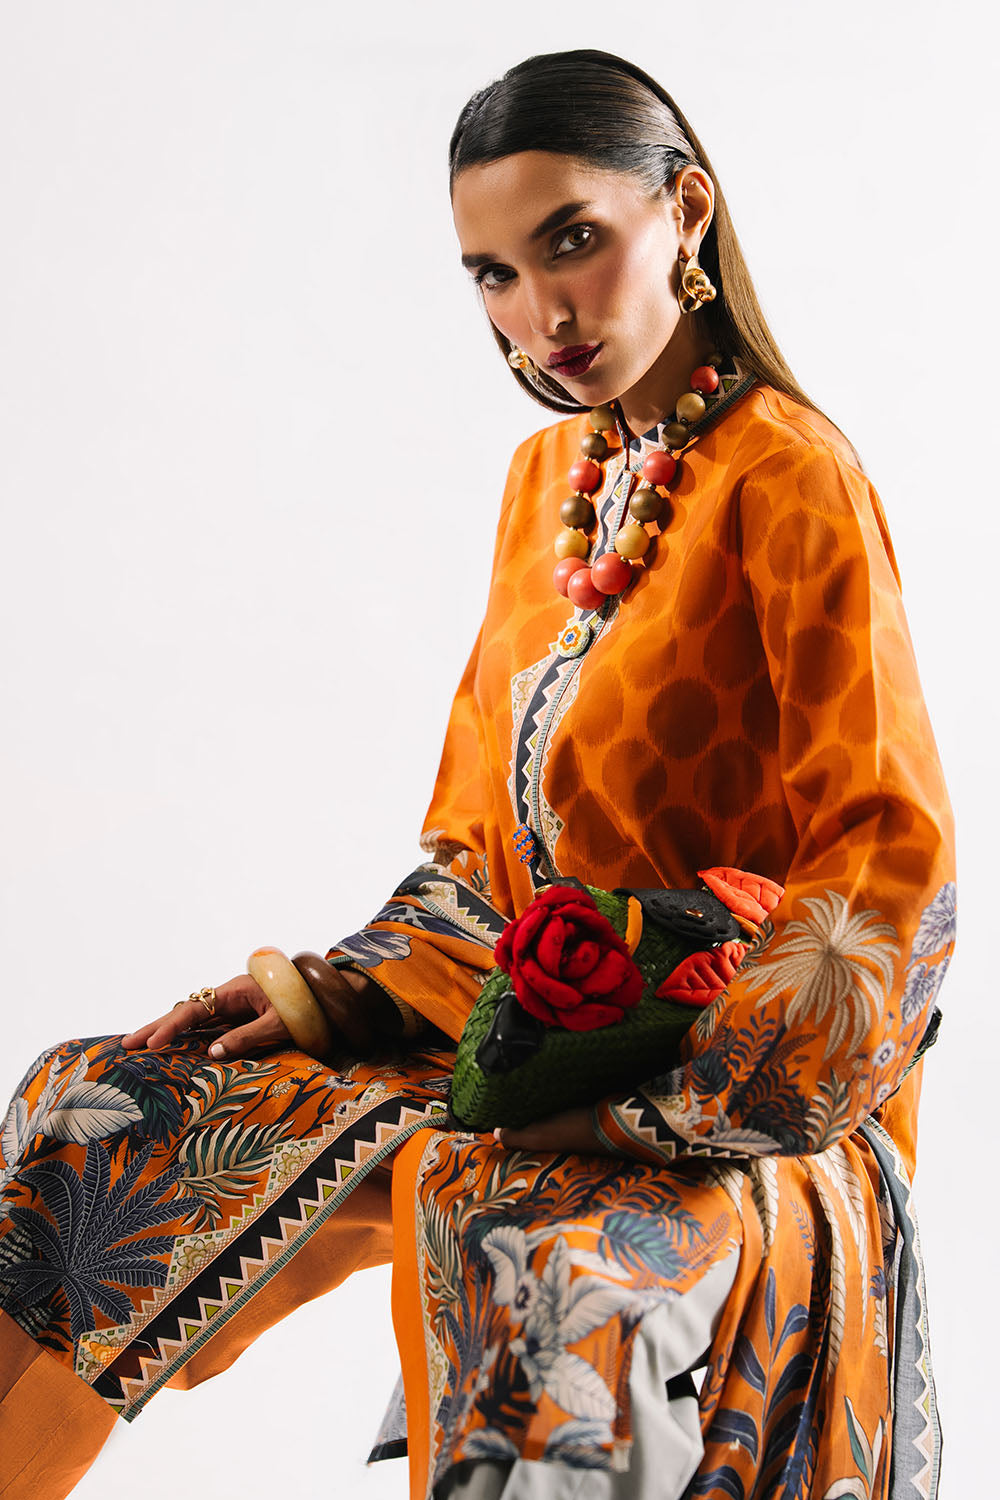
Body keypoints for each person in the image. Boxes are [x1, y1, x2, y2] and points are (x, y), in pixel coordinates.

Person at [0, 47, 955, 1500]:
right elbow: (474, 863)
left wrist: (655, 1107)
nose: (541, 313)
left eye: (572, 241)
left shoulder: (794, 479)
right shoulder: (547, 484)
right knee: (97, 1113)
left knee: (542, 1266)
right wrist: (327, 999)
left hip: (740, 1097)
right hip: (510, 1044)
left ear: (686, 212)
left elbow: (888, 865)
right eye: (495, 275)